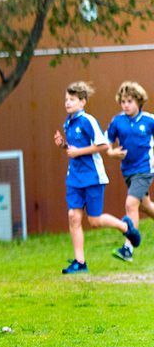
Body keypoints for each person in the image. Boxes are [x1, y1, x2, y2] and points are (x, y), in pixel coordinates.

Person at [53, 81, 141, 274]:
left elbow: (102, 145)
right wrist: (63, 145)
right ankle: (80, 262)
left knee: (94, 220)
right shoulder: (67, 122)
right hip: (74, 178)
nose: (67, 103)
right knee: (73, 216)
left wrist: (77, 152)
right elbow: (73, 150)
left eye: (72, 99)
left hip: (93, 177)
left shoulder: (88, 121)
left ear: (83, 102)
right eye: (66, 99)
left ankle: (125, 226)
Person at [104, 81, 154, 262]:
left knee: (131, 204)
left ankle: (128, 249)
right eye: (123, 101)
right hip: (128, 171)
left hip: (145, 170)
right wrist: (111, 152)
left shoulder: (149, 121)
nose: (126, 105)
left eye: (130, 101)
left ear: (139, 101)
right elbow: (106, 141)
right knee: (145, 206)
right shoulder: (117, 121)